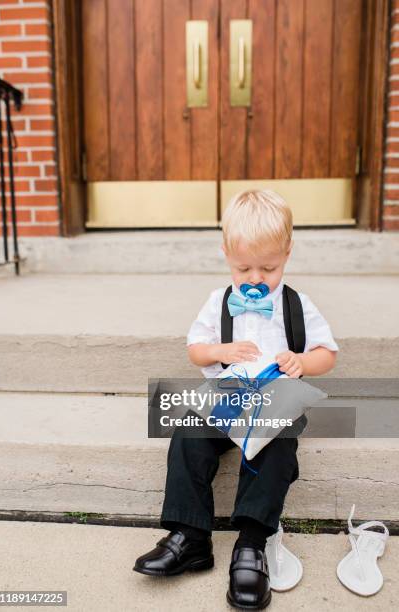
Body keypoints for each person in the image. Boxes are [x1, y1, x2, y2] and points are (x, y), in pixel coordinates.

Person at [133, 190, 339, 610]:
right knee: (188, 434)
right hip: (226, 401)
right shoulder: (217, 303)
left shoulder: (296, 305)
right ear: (226, 252)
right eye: (243, 267)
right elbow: (196, 350)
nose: (256, 278)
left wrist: (301, 361)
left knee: (277, 451)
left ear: (287, 252)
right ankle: (191, 536)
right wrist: (220, 352)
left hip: (274, 405)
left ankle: (251, 542)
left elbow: (327, 354)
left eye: (269, 267)